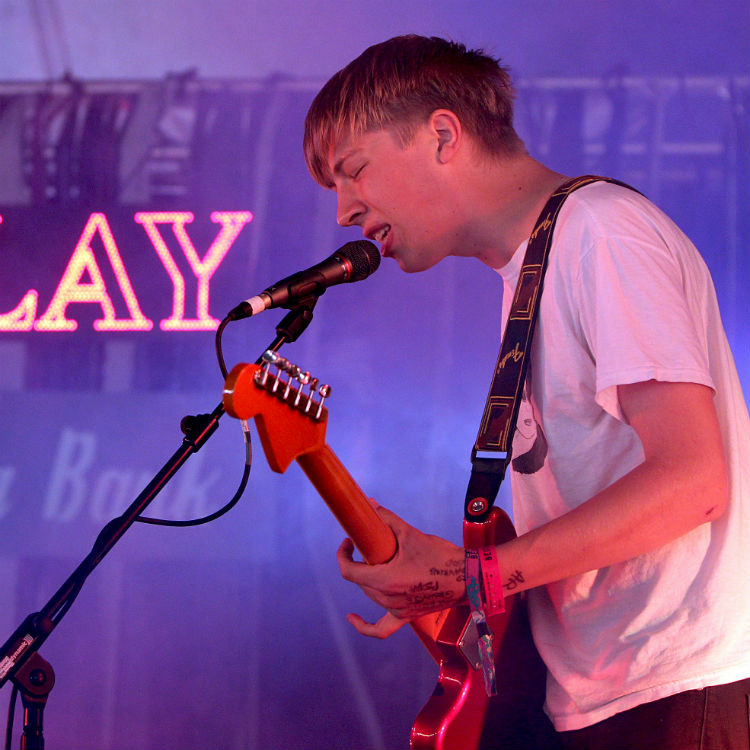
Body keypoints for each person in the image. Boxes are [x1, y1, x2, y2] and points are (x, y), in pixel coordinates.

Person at [302, 35, 750, 749]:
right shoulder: (534, 267)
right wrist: (451, 576)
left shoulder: (601, 233)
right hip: (611, 691)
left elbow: (694, 481)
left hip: (677, 687)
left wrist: (476, 572)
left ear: (443, 134)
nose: (343, 212)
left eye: (353, 171)